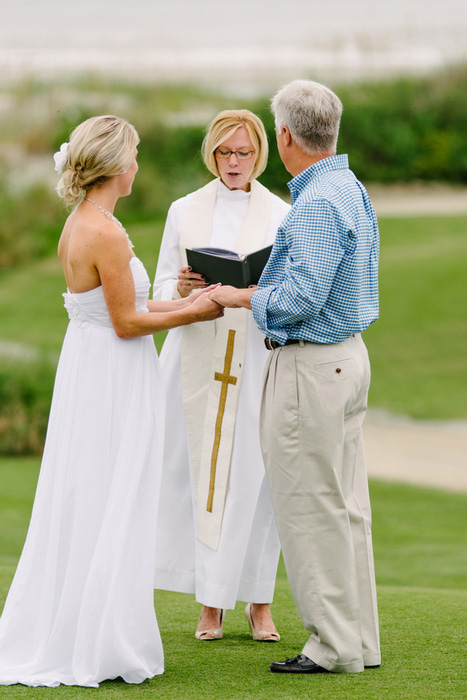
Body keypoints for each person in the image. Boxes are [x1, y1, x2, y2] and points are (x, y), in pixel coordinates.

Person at [0, 115, 222, 688]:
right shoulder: (107, 232)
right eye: (136, 156)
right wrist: (195, 313)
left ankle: (85, 623)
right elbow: (126, 322)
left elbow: (120, 310)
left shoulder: (80, 223)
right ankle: (102, 641)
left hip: (89, 365)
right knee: (114, 492)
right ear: (118, 166)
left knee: (91, 491)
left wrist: (185, 303)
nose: (139, 165)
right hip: (113, 373)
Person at [210, 80, 381, 673]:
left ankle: (332, 646)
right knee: (347, 506)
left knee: (310, 506)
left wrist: (246, 296)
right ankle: (358, 641)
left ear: (284, 136)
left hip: (312, 364)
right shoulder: (348, 186)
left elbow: (299, 301)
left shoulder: (314, 202)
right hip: (348, 356)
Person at [153, 109, 290, 641]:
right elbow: (162, 284)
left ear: (259, 154)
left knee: (257, 479)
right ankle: (209, 606)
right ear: (212, 153)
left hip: (253, 354)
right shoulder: (184, 209)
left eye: (245, 153)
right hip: (199, 354)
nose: (234, 163)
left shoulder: (280, 212)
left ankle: (260, 601)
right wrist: (183, 288)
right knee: (201, 477)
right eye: (226, 153)